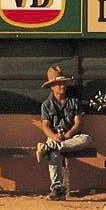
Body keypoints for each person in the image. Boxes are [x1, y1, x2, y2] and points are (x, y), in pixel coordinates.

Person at [34, 67, 92, 201]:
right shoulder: (46, 105)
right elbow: (45, 126)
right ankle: (57, 189)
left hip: (71, 138)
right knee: (54, 154)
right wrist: (54, 137)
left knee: (86, 139)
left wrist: (68, 135)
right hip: (54, 137)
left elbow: (78, 123)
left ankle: (49, 147)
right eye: (58, 84)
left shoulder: (74, 101)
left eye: (63, 83)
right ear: (52, 87)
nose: (62, 86)